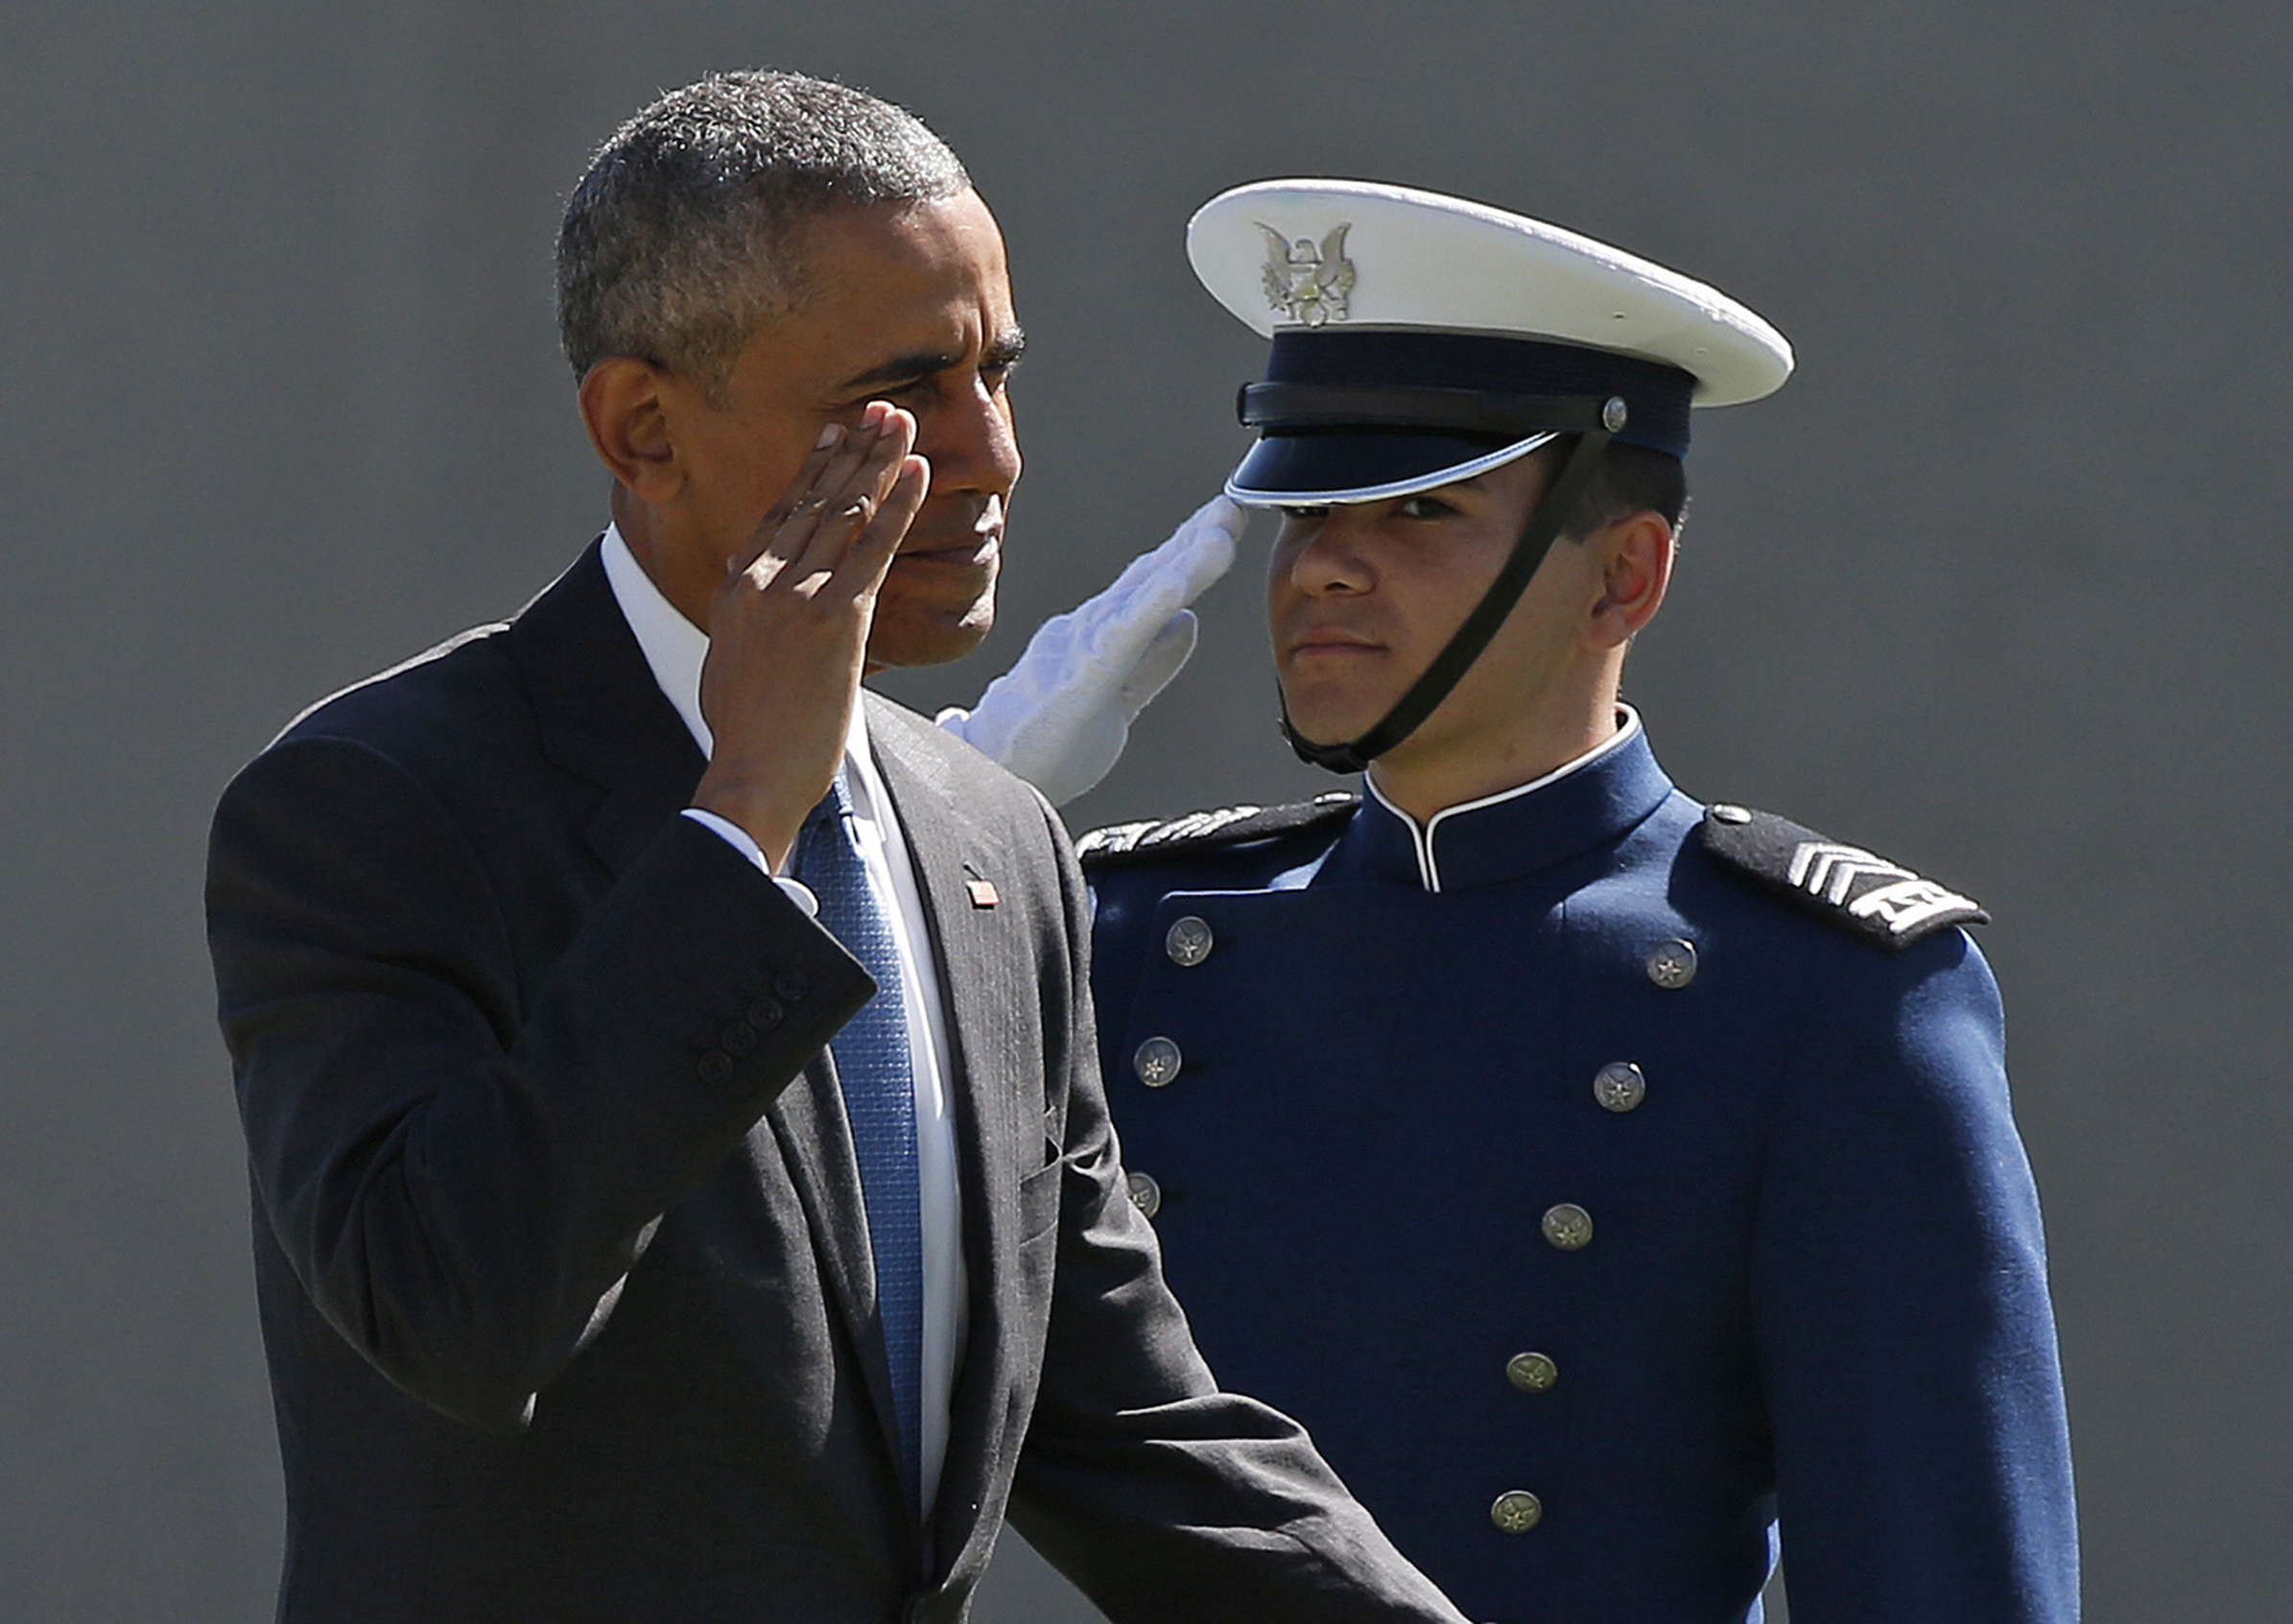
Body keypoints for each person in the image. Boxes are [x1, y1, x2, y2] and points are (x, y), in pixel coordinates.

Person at [204, 79, 1472, 1624]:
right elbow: (457, 1311)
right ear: (643, 426)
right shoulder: (373, 804)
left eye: (997, 373)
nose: (988, 454)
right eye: (900, 394)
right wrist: (742, 817)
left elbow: (1129, 1429)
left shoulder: (987, 836)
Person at [1075, 180, 2079, 1623]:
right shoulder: (1129, 939)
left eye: (1421, 506)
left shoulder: (1814, 992)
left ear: (1625, 573)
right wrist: (889, 836)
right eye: (1306, 507)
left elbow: (1941, 1578)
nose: (1326, 565)